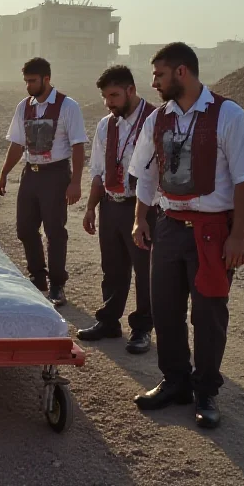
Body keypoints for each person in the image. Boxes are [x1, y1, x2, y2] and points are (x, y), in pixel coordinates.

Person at [128, 42, 244, 428]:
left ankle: (206, 390)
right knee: (165, 310)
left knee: (208, 314)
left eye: (159, 75)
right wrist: (140, 218)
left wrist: (238, 236)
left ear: (181, 73)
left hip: (212, 232)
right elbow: (147, 175)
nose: (153, 82)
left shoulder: (228, 115)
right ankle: (175, 382)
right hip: (168, 226)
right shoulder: (158, 120)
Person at [0, 57, 88, 306]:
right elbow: (17, 143)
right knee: (25, 229)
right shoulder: (24, 107)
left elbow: (78, 145)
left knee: (55, 231)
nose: (28, 86)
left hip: (56, 175)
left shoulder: (68, 106)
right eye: (25, 81)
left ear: (46, 79)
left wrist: (76, 182)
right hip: (31, 174)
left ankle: (58, 284)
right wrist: (4, 173)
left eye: (32, 81)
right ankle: (38, 278)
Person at [79, 65, 157, 354]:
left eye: (114, 95)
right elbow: (98, 171)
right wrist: (90, 208)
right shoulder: (105, 125)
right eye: (105, 97)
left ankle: (142, 329)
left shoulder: (155, 120)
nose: (109, 102)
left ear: (131, 90)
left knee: (144, 271)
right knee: (112, 268)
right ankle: (109, 321)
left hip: (143, 208)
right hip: (111, 205)